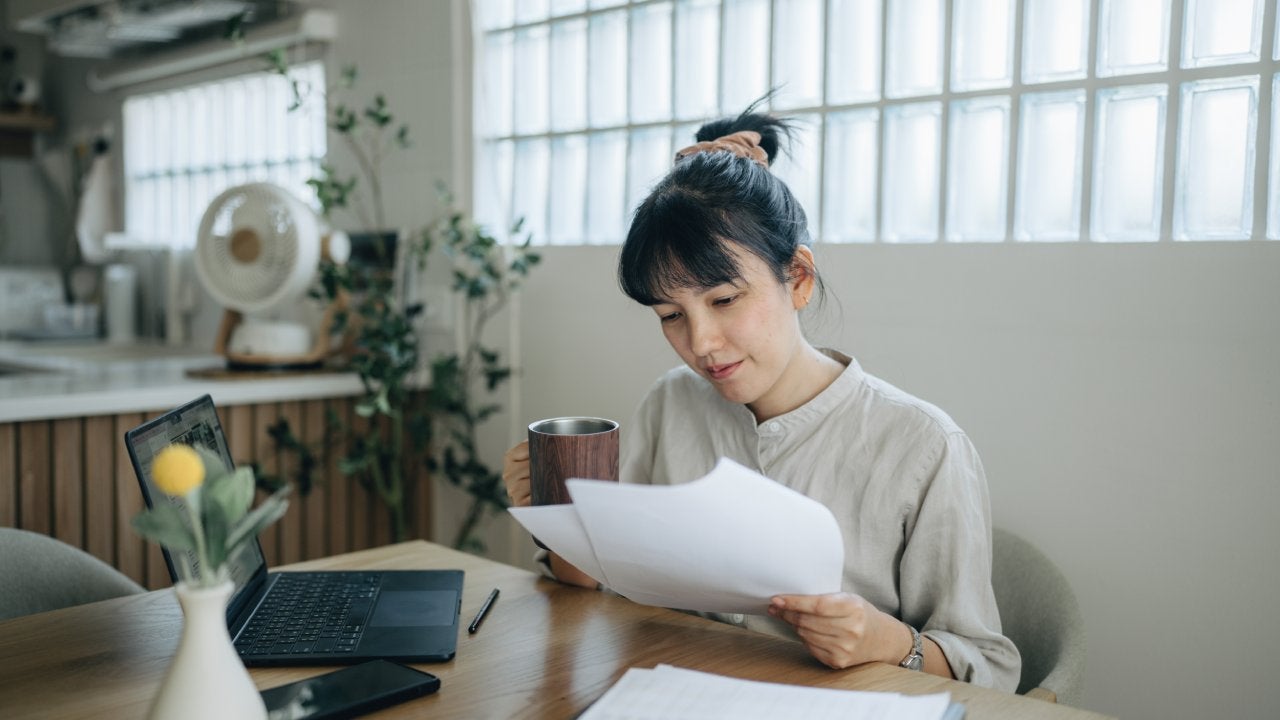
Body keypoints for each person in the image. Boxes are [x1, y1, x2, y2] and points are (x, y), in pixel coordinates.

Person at [502, 104, 1021, 691]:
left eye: (724, 300)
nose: (700, 343)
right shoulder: (672, 403)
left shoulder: (923, 445)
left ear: (797, 278)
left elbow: (991, 669)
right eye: (671, 315)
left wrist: (888, 642)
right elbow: (601, 583)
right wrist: (560, 517)